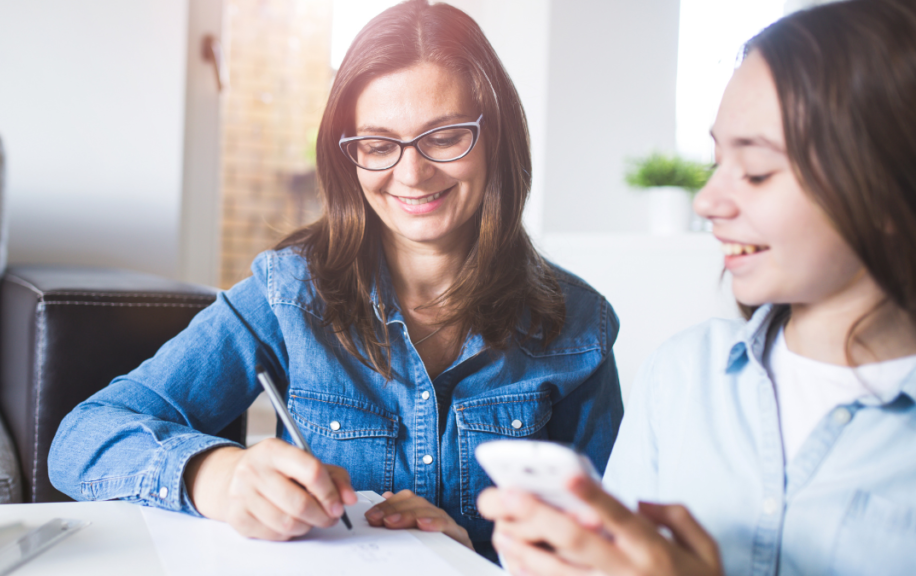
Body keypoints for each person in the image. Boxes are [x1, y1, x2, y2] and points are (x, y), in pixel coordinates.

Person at [48, 0, 623, 561]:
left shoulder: (580, 328)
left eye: (444, 137)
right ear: (347, 156)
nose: (412, 173)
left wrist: (480, 558)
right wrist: (216, 474)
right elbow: (81, 438)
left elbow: (605, 551)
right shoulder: (288, 292)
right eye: (377, 144)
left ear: (496, 137)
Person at [478, 0, 916, 574]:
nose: (708, 202)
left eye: (756, 171)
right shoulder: (682, 375)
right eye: (715, 162)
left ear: (888, 186)